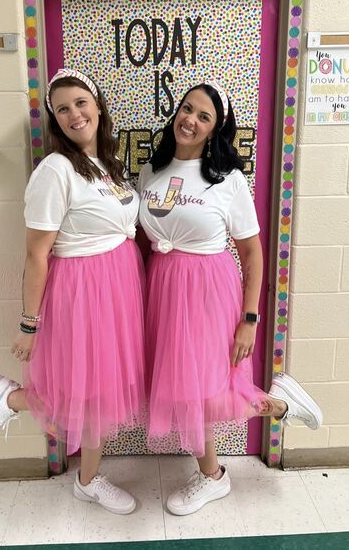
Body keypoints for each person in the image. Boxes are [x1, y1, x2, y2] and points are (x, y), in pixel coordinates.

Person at [138, 80, 322, 516]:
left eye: (204, 116)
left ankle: (226, 462)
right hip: (163, 287)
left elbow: (252, 252)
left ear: (216, 128)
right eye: (187, 108)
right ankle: (229, 456)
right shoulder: (151, 171)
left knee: (205, 386)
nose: (190, 120)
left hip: (207, 289)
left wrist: (250, 318)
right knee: (186, 386)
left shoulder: (228, 180)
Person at [0, 68, 145, 515]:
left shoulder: (108, 164)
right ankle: (10, 399)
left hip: (117, 289)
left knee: (100, 389)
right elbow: (36, 255)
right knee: (85, 389)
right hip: (83, 292)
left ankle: (87, 479)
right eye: (63, 109)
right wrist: (29, 325)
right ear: (55, 120)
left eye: (81, 103)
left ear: (98, 106)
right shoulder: (55, 170)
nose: (74, 114)